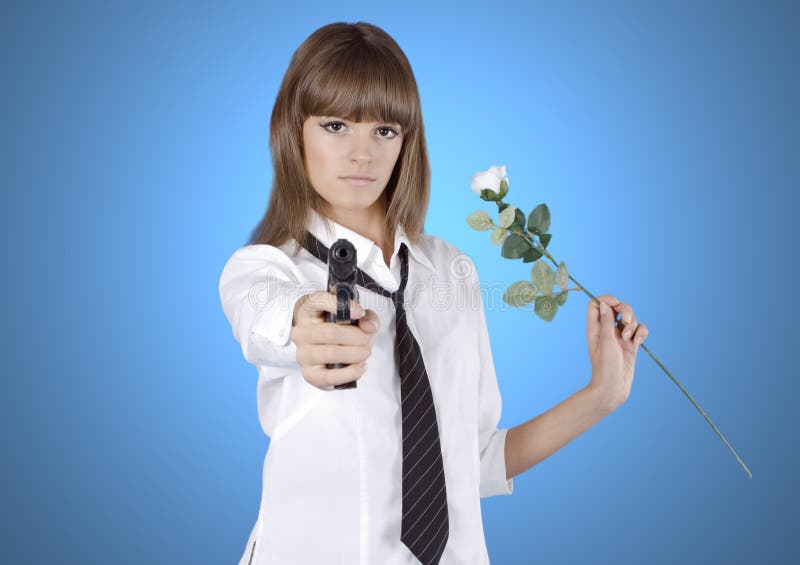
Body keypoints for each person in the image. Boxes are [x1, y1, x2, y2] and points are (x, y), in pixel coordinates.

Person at [218, 21, 649, 565]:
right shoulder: (266, 269)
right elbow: (270, 320)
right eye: (335, 126)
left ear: (407, 140)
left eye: (384, 130)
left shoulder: (452, 273)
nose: (361, 154)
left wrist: (602, 396)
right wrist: (308, 328)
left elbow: (476, 461)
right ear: (293, 132)